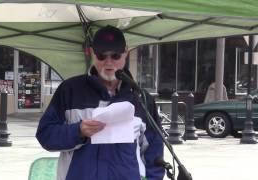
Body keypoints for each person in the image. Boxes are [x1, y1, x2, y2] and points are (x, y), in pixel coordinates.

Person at [36, 25, 165, 180]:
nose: (108, 63)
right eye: (101, 56)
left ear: (126, 53)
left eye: (115, 56)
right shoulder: (69, 90)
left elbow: (154, 153)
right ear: (91, 53)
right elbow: (45, 135)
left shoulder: (142, 99)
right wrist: (78, 131)